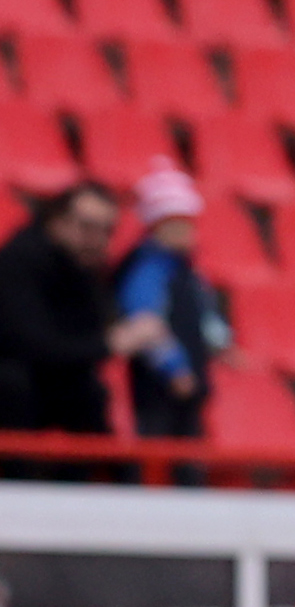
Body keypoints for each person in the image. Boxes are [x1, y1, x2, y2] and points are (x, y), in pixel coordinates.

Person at [0, 179, 171, 445]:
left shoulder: (86, 268)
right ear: (56, 221)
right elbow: (33, 346)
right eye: (87, 227)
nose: (97, 239)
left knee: (92, 399)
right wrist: (111, 343)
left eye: (107, 230)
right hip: (19, 394)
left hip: (66, 390)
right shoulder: (19, 262)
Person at [112, 163, 227, 445]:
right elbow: (146, 324)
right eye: (177, 226)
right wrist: (173, 368)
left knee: (190, 445)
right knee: (158, 444)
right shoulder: (146, 272)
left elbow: (205, 312)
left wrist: (222, 342)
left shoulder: (188, 271)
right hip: (159, 384)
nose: (186, 233)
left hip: (192, 377)